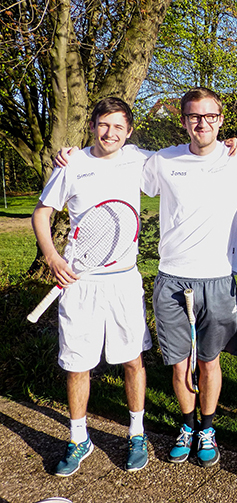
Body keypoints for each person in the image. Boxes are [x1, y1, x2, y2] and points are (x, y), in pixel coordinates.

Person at [141, 87, 237, 468]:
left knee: (209, 361)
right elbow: (114, 158)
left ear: (221, 119)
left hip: (218, 278)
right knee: (179, 364)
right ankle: (187, 426)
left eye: (210, 116)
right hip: (172, 278)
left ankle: (208, 429)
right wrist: (73, 155)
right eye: (194, 116)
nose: (202, 123)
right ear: (183, 121)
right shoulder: (163, 160)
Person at [32, 97, 152, 476]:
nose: (110, 133)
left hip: (124, 283)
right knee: (77, 365)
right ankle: (78, 438)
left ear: (129, 131)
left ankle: (137, 433)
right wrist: (53, 257)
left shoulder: (139, 159)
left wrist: (231, 144)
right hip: (80, 285)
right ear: (93, 126)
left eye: (119, 126)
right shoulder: (73, 164)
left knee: (133, 360)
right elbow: (41, 213)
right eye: (104, 124)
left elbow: (188, 155)